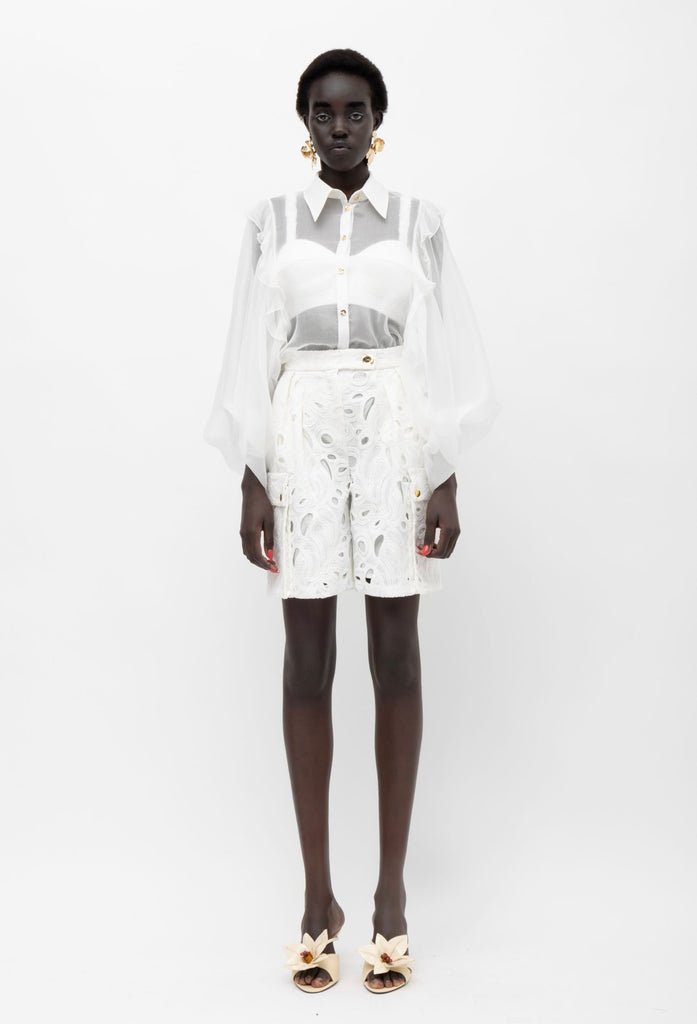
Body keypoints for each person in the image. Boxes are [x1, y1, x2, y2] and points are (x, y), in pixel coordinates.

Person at [204, 48, 500, 994]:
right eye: (323, 112)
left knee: (396, 651)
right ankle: (315, 900)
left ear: (378, 120)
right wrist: (253, 474)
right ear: (305, 125)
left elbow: (444, 350)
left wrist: (443, 473)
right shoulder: (269, 221)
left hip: (393, 431)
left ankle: (390, 899)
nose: (339, 126)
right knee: (306, 659)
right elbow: (249, 348)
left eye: (356, 110)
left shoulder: (417, 222)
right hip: (298, 429)